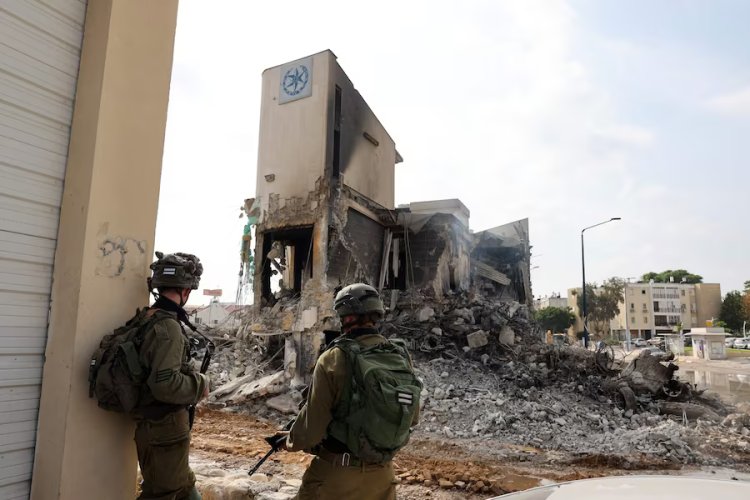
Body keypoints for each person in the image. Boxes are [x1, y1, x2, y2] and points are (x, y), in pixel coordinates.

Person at [280, 283, 421, 500]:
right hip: (383, 479)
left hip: (336, 479)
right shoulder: (400, 355)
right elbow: (411, 418)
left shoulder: (334, 358)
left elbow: (312, 429)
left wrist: (290, 440)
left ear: (344, 316)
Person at [134, 252, 210, 500]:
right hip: (164, 432)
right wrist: (201, 384)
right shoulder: (168, 327)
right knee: (169, 492)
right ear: (186, 291)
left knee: (180, 490)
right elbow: (164, 384)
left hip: (157, 430)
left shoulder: (147, 318)